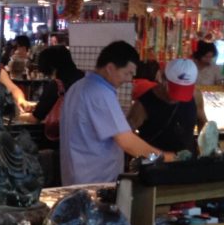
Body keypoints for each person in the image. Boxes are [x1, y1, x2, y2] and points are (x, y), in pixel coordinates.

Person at [59, 41, 172, 186]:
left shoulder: (78, 86)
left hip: (77, 176)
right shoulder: (100, 93)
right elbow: (127, 141)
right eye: (127, 73)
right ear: (110, 68)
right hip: (94, 181)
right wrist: (165, 157)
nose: (129, 79)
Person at [128, 58, 207, 155]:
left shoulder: (195, 96)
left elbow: (202, 121)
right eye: (176, 89)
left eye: (185, 90)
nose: (179, 97)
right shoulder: (143, 105)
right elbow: (127, 135)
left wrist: (203, 149)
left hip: (187, 162)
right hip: (156, 165)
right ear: (163, 79)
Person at [19, 45, 83, 127]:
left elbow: (35, 118)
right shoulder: (82, 78)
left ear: (52, 67)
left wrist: (19, 116)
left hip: (60, 134)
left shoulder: (56, 85)